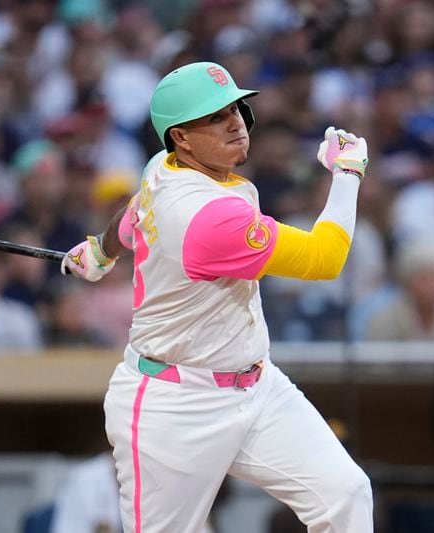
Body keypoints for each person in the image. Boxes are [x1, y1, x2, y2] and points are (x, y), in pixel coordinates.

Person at [61, 62, 372, 532]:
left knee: (346, 495)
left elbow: (136, 208)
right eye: (214, 117)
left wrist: (101, 251)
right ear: (181, 138)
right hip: (173, 405)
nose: (236, 123)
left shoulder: (163, 166)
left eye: (235, 108)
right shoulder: (208, 217)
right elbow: (323, 259)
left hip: (256, 386)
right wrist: (347, 172)